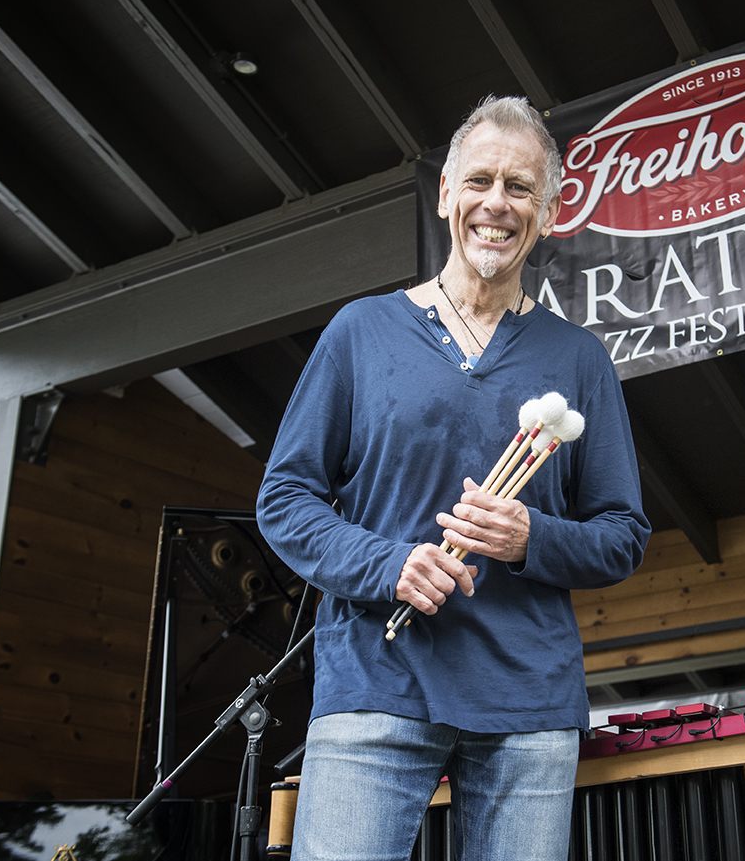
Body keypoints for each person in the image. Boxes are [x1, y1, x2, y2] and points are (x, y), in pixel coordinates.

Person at [256, 96, 650, 861]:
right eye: (480, 181)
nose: (496, 204)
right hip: (374, 684)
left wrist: (529, 536)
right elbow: (285, 497)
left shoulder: (579, 358)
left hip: (528, 702)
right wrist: (390, 563)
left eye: (520, 187)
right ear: (444, 193)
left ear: (550, 210)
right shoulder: (360, 333)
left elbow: (622, 535)